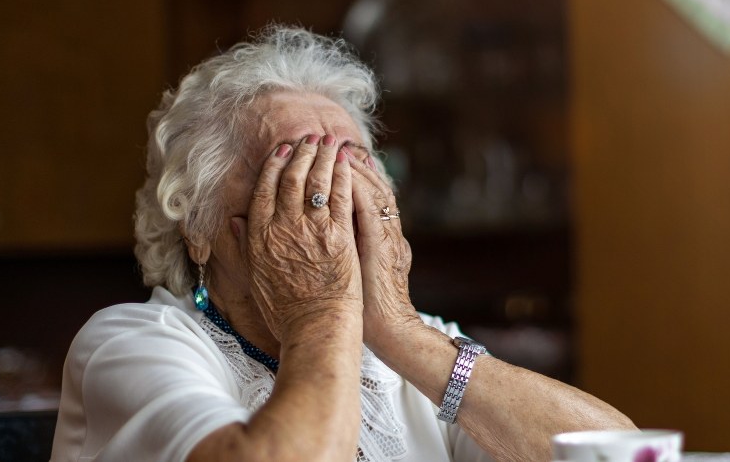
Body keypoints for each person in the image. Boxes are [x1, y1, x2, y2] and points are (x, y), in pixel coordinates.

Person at [51, 26, 634, 462]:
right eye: (293, 176)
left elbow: (619, 455)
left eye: (353, 171)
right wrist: (321, 309)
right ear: (198, 226)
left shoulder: (405, 346)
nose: (334, 201)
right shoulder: (131, 344)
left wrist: (400, 330)